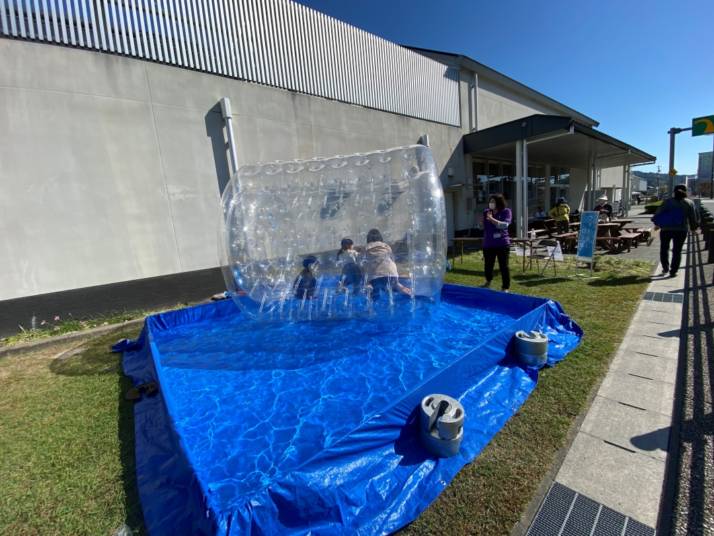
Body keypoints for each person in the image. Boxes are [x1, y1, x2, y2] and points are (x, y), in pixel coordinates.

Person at [653, 185, 697, 277]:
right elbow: (693, 217)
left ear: (674, 192)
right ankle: (673, 271)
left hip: (666, 229)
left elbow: (659, 213)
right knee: (677, 251)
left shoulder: (667, 202)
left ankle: (665, 268)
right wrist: (693, 228)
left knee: (664, 249)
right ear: (686, 192)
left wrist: (657, 224)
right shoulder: (689, 203)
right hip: (681, 230)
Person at [364, 229, 412, 299]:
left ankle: (369, 288)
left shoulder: (367, 248)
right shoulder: (386, 246)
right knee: (395, 284)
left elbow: (362, 261)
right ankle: (405, 290)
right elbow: (392, 258)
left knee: (373, 289)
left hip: (375, 277)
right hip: (391, 273)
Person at [482, 194, 511, 292]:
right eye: (490, 201)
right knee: (488, 265)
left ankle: (505, 287)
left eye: (493, 201)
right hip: (489, 244)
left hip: (502, 244)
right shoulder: (486, 212)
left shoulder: (506, 211)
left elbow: (504, 225)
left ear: (499, 202)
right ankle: (488, 281)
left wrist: (491, 219)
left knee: (504, 266)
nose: (491, 203)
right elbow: (484, 227)